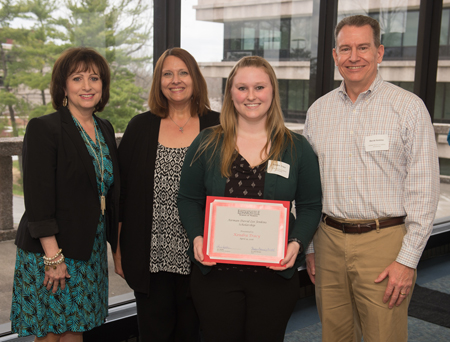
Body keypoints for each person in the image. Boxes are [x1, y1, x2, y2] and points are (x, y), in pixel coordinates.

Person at [303, 15, 440, 342]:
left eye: (363, 47)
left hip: (384, 243)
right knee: (334, 335)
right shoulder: (317, 113)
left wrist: (407, 262)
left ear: (379, 52)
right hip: (328, 241)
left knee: (384, 336)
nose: (354, 57)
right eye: (345, 49)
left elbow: (424, 191)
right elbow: (308, 188)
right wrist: (310, 247)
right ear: (335, 56)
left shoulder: (408, 108)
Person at [177, 55, 322, 342]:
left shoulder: (297, 147)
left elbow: (310, 206)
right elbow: (188, 199)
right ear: (231, 92)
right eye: (242, 88)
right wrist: (196, 237)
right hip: (216, 275)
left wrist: (297, 243)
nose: (251, 96)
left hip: (275, 276)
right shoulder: (206, 142)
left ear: (272, 92)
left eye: (259, 87)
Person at [10, 47, 120, 341]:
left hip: (89, 250)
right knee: (50, 334)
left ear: (103, 85)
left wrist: (116, 246)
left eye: (94, 78)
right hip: (52, 250)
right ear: (63, 86)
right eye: (77, 78)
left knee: (76, 330)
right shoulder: (44, 128)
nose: (87, 86)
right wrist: (53, 257)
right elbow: (37, 198)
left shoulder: (104, 128)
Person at [115, 47, 220, 341]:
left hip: (201, 254)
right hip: (151, 255)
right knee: (154, 334)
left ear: (195, 78)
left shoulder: (219, 126)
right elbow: (121, 195)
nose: (176, 80)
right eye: (168, 74)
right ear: (159, 82)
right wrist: (118, 248)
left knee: (191, 333)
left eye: (183, 72)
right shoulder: (140, 127)